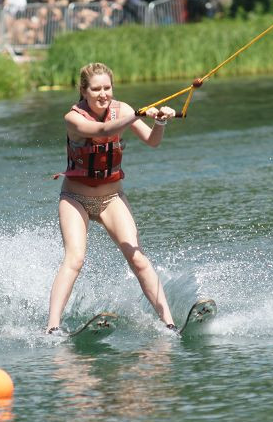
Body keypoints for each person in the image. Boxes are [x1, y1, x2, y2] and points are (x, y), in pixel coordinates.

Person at [46, 62, 178, 334]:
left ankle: (169, 323)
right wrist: (136, 114)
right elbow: (102, 132)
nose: (103, 94)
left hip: (112, 197)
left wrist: (159, 123)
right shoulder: (73, 118)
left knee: (138, 258)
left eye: (107, 88)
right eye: (96, 89)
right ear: (84, 91)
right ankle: (52, 327)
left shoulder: (124, 110)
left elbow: (153, 141)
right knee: (75, 258)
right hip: (75, 197)